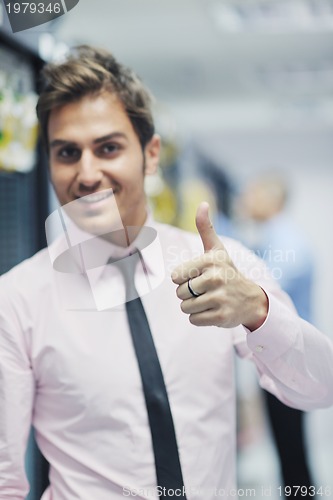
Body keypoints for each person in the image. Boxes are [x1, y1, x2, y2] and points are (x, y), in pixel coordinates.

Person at [0, 46, 333, 500]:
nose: (87, 172)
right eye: (66, 152)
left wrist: (258, 310)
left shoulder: (222, 265)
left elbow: (320, 389)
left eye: (108, 147)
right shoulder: (17, 299)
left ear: (151, 154)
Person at [239, 174, 316, 495]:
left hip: (291, 358)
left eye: (253, 192)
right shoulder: (273, 239)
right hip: (283, 357)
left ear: (273, 199)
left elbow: (264, 289)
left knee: (291, 446)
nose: (246, 199)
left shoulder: (286, 242)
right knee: (287, 446)